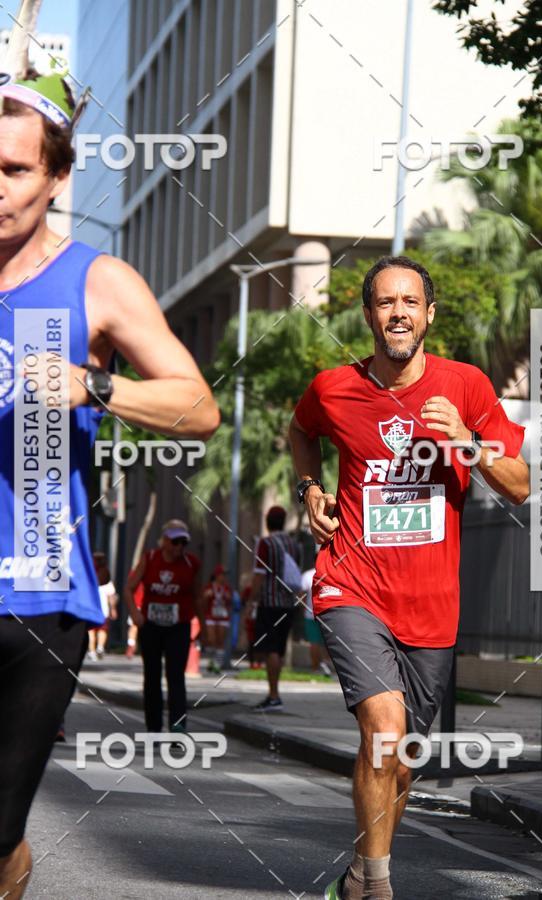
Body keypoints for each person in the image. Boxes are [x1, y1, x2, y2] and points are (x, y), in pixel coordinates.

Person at [0, 69, 219, 899]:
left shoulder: (98, 282)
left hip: (43, 597)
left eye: (15, 170)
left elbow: (198, 406)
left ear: (58, 177)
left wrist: (97, 387)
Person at [288, 255, 529, 900]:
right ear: (368, 315)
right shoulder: (333, 387)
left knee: (401, 760)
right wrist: (311, 487)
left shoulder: (467, 387)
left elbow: (524, 485)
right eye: (385, 302)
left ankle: (360, 872)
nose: (398, 312)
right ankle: (379, 884)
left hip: (431, 605)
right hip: (351, 583)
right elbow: (301, 433)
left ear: (428, 314)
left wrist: (469, 445)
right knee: (384, 732)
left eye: (410, 302)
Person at [125, 520, 204, 733]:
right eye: (175, 542)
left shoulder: (191, 563)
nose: (179, 547)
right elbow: (129, 589)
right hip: (151, 626)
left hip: (178, 626)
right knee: (152, 676)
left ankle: (178, 727)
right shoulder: (150, 558)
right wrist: (135, 615)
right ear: (165, 541)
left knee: (175, 676)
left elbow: (197, 596)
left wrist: (201, 624)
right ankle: (153, 727)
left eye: (183, 543)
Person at [250, 506, 303, 712]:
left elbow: (259, 575)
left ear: (267, 522)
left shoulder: (265, 543)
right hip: (288, 604)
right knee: (279, 650)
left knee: (271, 648)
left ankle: (274, 696)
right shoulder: (295, 545)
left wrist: (250, 601)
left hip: (270, 603)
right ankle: (274, 694)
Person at [301, 564, 332, 677]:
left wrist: (304, 609)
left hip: (310, 614)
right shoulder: (330, 571)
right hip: (327, 613)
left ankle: (315, 669)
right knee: (328, 642)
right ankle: (327, 667)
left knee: (314, 642)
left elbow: (302, 595)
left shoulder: (307, 575)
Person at [87, 551, 118, 661]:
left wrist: (113, 608)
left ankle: (92, 651)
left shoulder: (88, 574)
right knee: (102, 630)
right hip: (102, 610)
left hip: (91, 609)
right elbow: (111, 595)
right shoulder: (106, 575)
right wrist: (113, 609)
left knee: (91, 631)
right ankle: (99, 648)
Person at [202, 563, 232, 674]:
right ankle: (211, 662)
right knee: (211, 639)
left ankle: (217, 665)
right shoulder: (210, 586)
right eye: (222, 575)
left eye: (225, 575)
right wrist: (206, 596)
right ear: (217, 575)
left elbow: (230, 602)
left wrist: (228, 598)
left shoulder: (227, 587)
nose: (224, 577)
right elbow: (203, 601)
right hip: (211, 615)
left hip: (223, 616)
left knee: (220, 641)